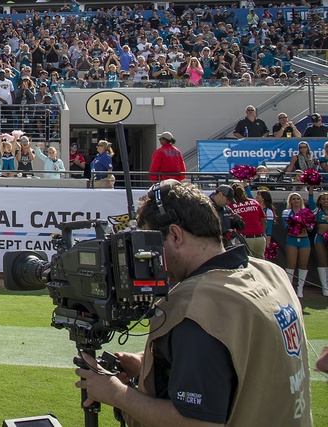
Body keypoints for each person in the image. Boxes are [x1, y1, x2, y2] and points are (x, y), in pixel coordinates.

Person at [77, 180, 312, 427]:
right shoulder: (272, 274)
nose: (148, 258)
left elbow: (197, 422)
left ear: (176, 235)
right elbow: (247, 361)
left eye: (150, 245)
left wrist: (116, 394)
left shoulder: (196, 306)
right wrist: (148, 365)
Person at [283, 191, 315, 297]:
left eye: (298, 199)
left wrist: (307, 224)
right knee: (291, 263)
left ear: (301, 201)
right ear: (290, 201)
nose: (296, 201)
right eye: (293, 199)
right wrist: (296, 222)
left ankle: (300, 288)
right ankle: (289, 288)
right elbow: (286, 227)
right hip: (292, 240)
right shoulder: (286, 212)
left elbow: (310, 229)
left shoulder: (306, 212)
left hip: (304, 240)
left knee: (303, 264)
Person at [223, 183, 267, 258]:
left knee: (246, 264)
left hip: (244, 239)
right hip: (260, 239)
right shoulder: (255, 203)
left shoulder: (230, 206)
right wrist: (262, 234)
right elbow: (264, 221)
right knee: (260, 264)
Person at [311, 191, 328, 297]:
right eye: (323, 199)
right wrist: (311, 187)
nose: (326, 201)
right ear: (320, 202)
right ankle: (325, 287)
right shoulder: (317, 211)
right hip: (320, 238)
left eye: (327, 199)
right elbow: (311, 199)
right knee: (323, 262)